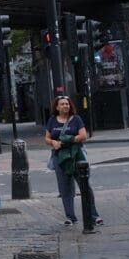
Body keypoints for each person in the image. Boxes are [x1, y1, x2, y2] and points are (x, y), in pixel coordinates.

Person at [44, 95, 103, 227]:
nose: (66, 106)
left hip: (76, 156)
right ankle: (70, 217)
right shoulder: (52, 120)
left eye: (67, 104)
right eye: (63, 104)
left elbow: (83, 135)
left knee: (85, 186)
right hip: (60, 158)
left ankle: (94, 215)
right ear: (57, 107)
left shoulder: (76, 119)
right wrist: (53, 142)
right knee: (65, 188)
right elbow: (47, 138)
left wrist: (66, 140)